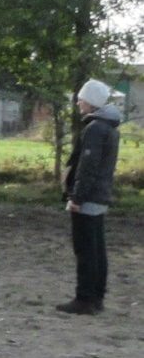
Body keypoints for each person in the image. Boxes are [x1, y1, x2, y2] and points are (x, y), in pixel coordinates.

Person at [56, 79, 122, 314]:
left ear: (91, 101)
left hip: (89, 196)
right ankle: (97, 296)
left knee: (85, 249)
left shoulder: (94, 129)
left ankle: (84, 298)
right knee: (97, 248)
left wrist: (76, 197)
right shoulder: (110, 128)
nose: (78, 103)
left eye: (81, 99)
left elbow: (87, 166)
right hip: (100, 194)